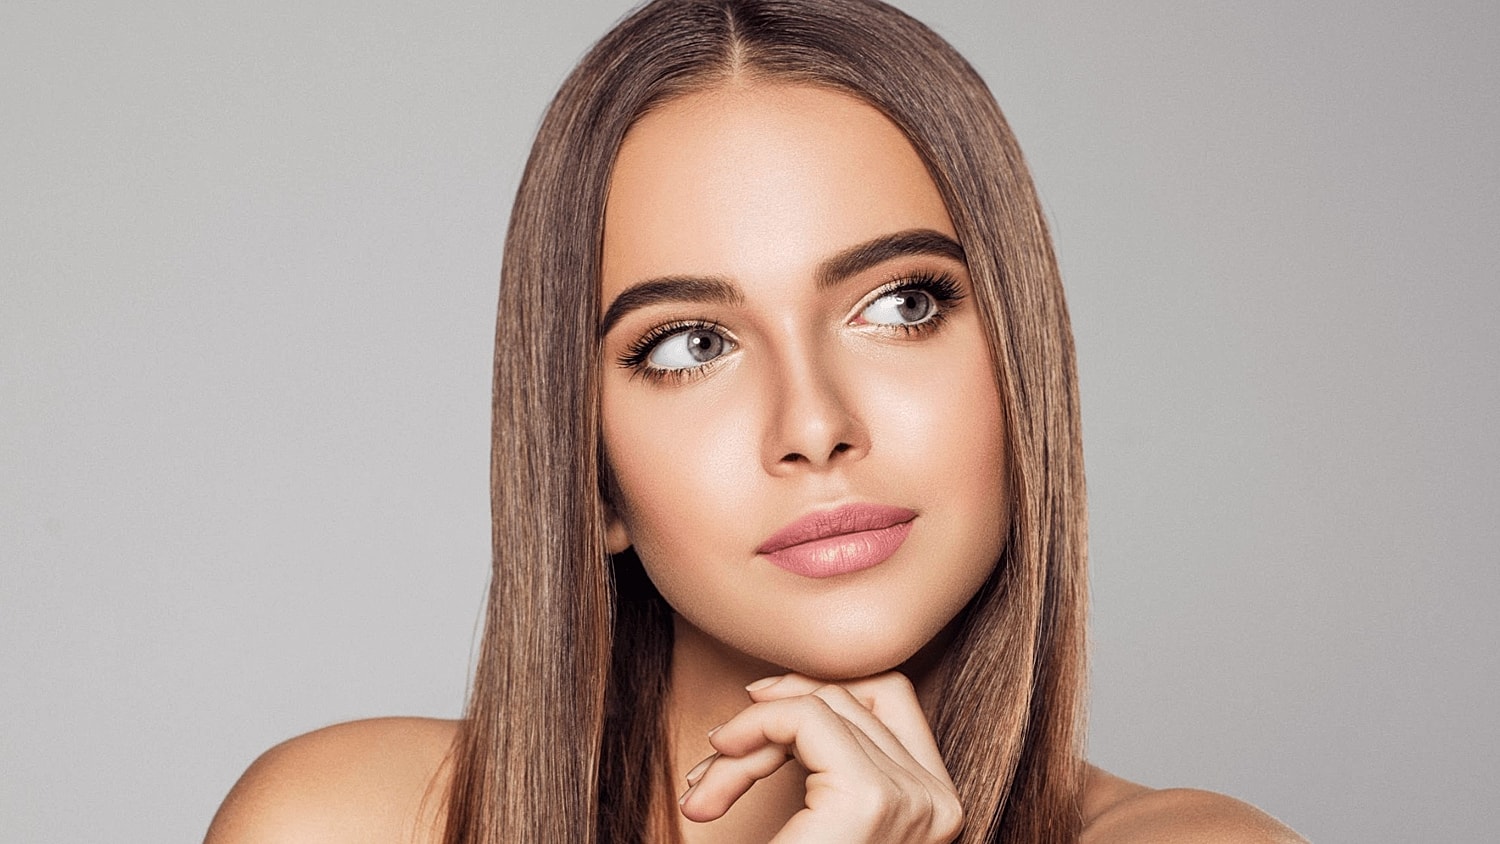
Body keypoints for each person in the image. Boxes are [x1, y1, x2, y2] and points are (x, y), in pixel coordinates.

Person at [205, 1, 1308, 841]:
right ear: (589, 476)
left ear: (1023, 370)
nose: (814, 423)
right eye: (690, 344)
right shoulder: (346, 820)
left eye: (901, 305)